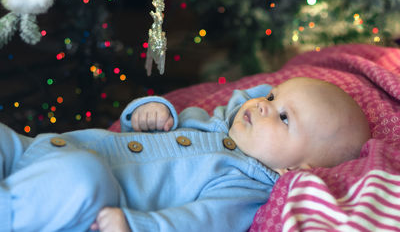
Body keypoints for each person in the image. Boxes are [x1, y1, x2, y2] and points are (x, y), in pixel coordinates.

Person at [0, 77, 370, 232]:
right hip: (41, 147)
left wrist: (137, 225)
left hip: (84, 193)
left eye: (284, 117)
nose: (262, 106)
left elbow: (198, 221)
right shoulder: (210, 122)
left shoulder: (246, 188)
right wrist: (150, 112)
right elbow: (135, 132)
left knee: (81, 177)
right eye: (272, 98)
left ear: (295, 167)